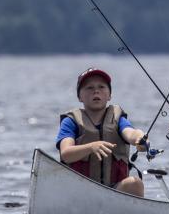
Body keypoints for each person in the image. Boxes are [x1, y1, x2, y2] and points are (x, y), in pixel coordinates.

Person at [56, 67, 146, 196]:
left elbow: (131, 133)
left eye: (101, 87)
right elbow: (66, 153)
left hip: (114, 192)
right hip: (80, 192)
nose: (96, 91)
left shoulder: (118, 119)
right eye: (89, 88)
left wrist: (140, 138)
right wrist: (91, 147)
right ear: (79, 97)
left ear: (109, 95)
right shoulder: (71, 122)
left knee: (134, 183)